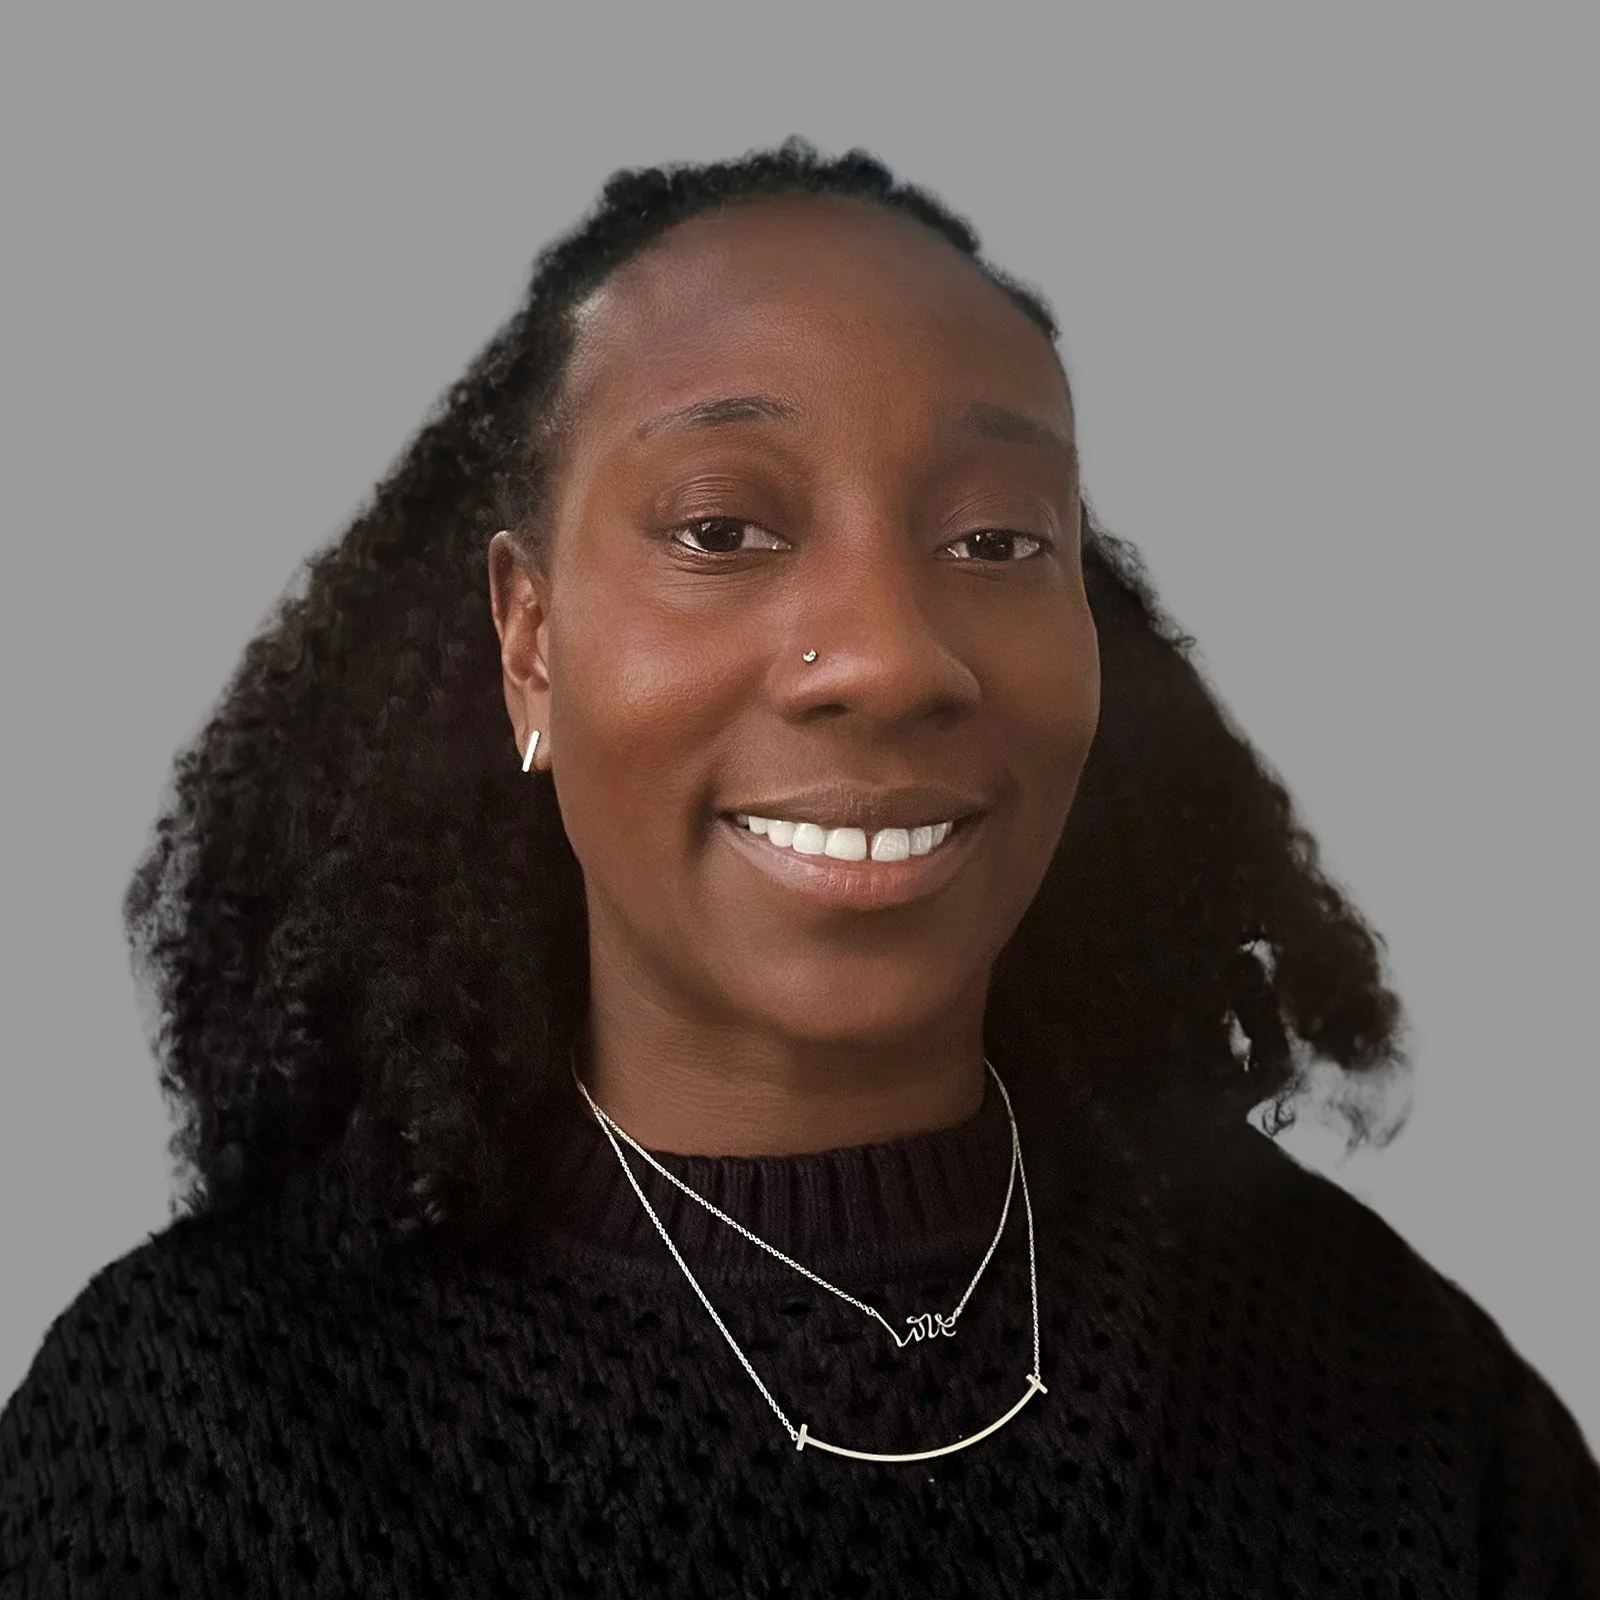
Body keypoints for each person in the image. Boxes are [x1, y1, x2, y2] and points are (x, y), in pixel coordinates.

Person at [1, 135, 1595, 1598]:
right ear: (529, 644)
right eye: (721, 529)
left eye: (994, 541)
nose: (891, 658)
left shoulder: (1393, 1393)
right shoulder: (197, 1432)